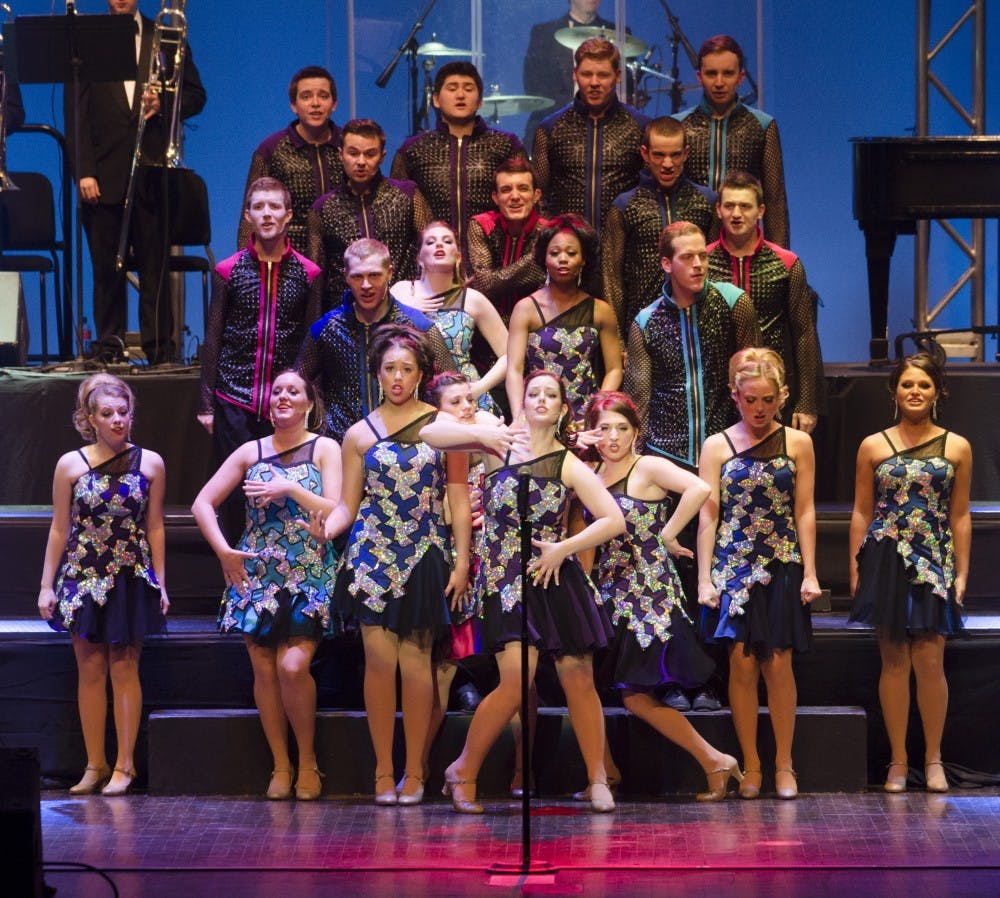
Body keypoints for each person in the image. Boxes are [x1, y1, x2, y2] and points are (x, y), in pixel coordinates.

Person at [420, 369, 626, 814]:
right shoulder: (499, 443)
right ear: (522, 400)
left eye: (550, 394)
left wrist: (564, 548)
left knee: (579, 679)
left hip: (554, 573)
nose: (540, 399)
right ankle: (463, 769)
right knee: (515, 683)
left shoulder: (568, 463)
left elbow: (613, 519)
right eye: (533, 392)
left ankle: (597, 779)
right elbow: (429, 431)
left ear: (561, 408)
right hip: (506, 578)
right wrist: (486, 437)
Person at [326, 325, 471, 805]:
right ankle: (382, 772)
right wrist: (327, 527)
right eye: (389, 368)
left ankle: (416, 771)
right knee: (379, 663)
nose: (397, 376)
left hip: (424, 550)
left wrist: (463, 560)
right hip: (372, 553)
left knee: (416, 665)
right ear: (377, 373)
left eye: (407, 369)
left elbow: (457, 494)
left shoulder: (439, 426)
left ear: (421, 374)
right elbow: (348, 505)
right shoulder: (358, 434)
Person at [580, 391, 742, 801]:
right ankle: (606, 774)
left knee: (635, 696)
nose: (613, 437)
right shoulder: (589, 475)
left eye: (622, 428)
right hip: (607, 595)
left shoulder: (646, 466)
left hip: (647, 598)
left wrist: (668, 532)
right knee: (587, 686)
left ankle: (715, 760)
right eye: (604, 429)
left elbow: (699, 488)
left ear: (636, 432)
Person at [191, 370, 341, 801]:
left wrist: (289, 486)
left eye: (293, 390)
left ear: (309, 402)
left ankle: (309, 761)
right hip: (258, 571)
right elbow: (203, 502)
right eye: (276, 391)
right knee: (263, 669)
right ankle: (281, 764)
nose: (283, 397)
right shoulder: (249, 451)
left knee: (292, 667)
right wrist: (223, 551)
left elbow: (336, 506)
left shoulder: (324, 448)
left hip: (309, 568)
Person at [697, 348, 821, 800]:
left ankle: (784, 764)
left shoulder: (798, 444)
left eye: (768, 400)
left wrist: (810, 572)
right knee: (742, 663)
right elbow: (708, 515)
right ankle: (751, 764)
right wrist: (705, 578)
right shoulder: (718, 445)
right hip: (734, 564)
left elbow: (804, 510)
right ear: (735, 397)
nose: (760, 408)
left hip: (781, 561)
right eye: (751, 400)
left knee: (780, 662)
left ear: (782, 396)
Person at [37, 374, 168, 796]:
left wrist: (161, 583)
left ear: (132, 414)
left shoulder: (150, 463)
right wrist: (46, 586)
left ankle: (124, 766)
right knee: (90, 670)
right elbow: (60, 528)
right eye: (107, 414)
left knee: (124, 667)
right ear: (89, 418)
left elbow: (156, 527)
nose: (117, 421)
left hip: (129, 575)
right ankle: (94, 764)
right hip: (83, 575)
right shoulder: (70, 464)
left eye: (123, 413)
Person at [848, 353, 971, 794]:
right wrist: (856, 566)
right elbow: (862, 510)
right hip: (885, 557)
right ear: (894, 391)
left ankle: (933, 759)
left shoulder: (956, 446)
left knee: (930, 660)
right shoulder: (873, 445)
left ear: (937, 391)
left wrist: (960, 572)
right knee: (894, 660)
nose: (914, 392)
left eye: (923, 385)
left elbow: (960, 515)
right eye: (906, 385)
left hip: (934, 557)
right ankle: (898, 762)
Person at [64, 0, 207, 365]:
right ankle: (110, 349)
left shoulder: (167, 37)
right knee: (105, 270)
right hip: (102, 174)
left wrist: (165, 100)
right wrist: (84, 170)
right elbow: (76, 110)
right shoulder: (88, 39)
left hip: (153, 173)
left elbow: (195, 96)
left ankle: (160, 352)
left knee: (155, 269)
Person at [199, 177, 323, 541]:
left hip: (284, 402)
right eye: (259, 207)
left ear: (288, 215)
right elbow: (212, 338)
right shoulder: (228, 271)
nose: (267, 214)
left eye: (274, 207)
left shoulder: (308, 272)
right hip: (235, 397)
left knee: (285, 485)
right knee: (237, 493)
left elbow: (310, 338)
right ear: (248, 216)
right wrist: (207, 403)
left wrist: (305, 394)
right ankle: (237, 568)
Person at [623, 221, 759, 469]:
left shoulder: (733, 302)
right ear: (666, 264)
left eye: (702, 256)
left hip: (727, 447)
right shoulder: (646, 321)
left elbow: (753, 378)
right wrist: (635, 460)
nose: (698, 264)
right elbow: (638, 399)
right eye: (687, 257)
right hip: (665, 454)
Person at [296, 238, 457, 442]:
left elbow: (451, 386)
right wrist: (319, 427)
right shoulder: (326, 328)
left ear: (389, 272)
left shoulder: (418, 326)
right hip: (342, 444)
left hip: (406, 446)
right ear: (345, 276)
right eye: (357, 276)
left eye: (374, 275)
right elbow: (297, 383)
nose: (366, 285)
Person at [708, 171, 823, 434]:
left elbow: (804, 333)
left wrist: (806, 402)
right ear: (718, 210)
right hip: (718, 391)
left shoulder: (786, 263)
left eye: (745, 206)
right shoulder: (704, 261)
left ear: (760, 211)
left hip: (771, 388)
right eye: (729, 206)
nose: (737, 214)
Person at [391, 61, 524, 265]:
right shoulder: (413, 150)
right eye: (452, 88)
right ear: (436, 99)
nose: (460, 95)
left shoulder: (505, 145)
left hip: (494, 263)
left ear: (479, 101)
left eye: (468, 89)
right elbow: (396, 211)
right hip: (433, 264)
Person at [602, 116, 718, 341]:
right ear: (645, 154)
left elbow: (716, 267)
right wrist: (618, 341)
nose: (667, 163)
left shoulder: (707, 201)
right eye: (659, 155)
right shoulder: (625, 206)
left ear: (686, 153)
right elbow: (612, 278)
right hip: (642, 328)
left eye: (675, 155)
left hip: (700, 324)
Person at [673, 35, 789, 247]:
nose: (719, 82)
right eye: (711, 74)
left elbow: (775, 202)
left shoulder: (762, 126)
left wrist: (779, 261)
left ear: (740, 77)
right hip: (688, 243)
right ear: (699, 77)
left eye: (727, 73)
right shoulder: (679, 126)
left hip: (742, 244)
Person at [506, 213, 622, 421]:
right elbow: (514, 370)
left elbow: (614, 369)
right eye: (555, 253)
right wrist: (518, 416)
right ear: (544, 258)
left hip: (586, 416)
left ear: (583, 260)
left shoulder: (600, 310)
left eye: (571, 253)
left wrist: (596, 411)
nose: (562, 259)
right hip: (539, 412)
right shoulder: (526, 309)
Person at [307, 118, 431, 311]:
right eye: (353, 153)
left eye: (370, 154)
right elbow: (317, 280)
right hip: (347, 320)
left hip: (401, 312)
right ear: (341, 154)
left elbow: (430, 254)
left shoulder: (407, 195)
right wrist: (314, 332)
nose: (361, 162)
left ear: (382, 156)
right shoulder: (323, 208)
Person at [390, 222, 508, 416]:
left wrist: (479, 388)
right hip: (413, 397)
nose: (439, 245)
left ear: (458, 256)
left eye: (447, 241)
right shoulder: (401, 291)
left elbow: (510, 354)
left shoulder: (472, 299)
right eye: (430, 242)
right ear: (419, 258)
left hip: (463, 398)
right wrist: (408, 308)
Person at [532, 38, 649, 234]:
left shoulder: (641, 127)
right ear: (575, 75)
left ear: (618, 76)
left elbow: (649, 195)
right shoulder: (550, 129)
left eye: (603, 75)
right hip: (566, 250)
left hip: (623, 247)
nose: (594, 82)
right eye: (587, 74)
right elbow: (537, 196)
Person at [237, 66, 342, 254]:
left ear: (334, 103)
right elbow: (251, 214)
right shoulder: (272, 149)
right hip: (289, 258)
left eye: (323, 96)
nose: (315, 103)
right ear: (294, 105)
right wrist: (246, 267)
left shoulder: (348, 146)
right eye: (306, 96)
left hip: (344, 257)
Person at [466, 157, 551, 326]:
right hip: (487, 327)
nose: (515, 196)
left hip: (536, 325)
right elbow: (484, 284)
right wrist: (536, 259)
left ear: (536, 196)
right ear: (496, 198)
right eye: (506, 190)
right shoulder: (482, 224)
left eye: (523, 188)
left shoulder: (549, 232)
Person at [522, 0, 615, 146]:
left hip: (606, 126)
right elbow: (533, 86)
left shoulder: (618, 33)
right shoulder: (544, 33)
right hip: (554, 123)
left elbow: (626, 87)